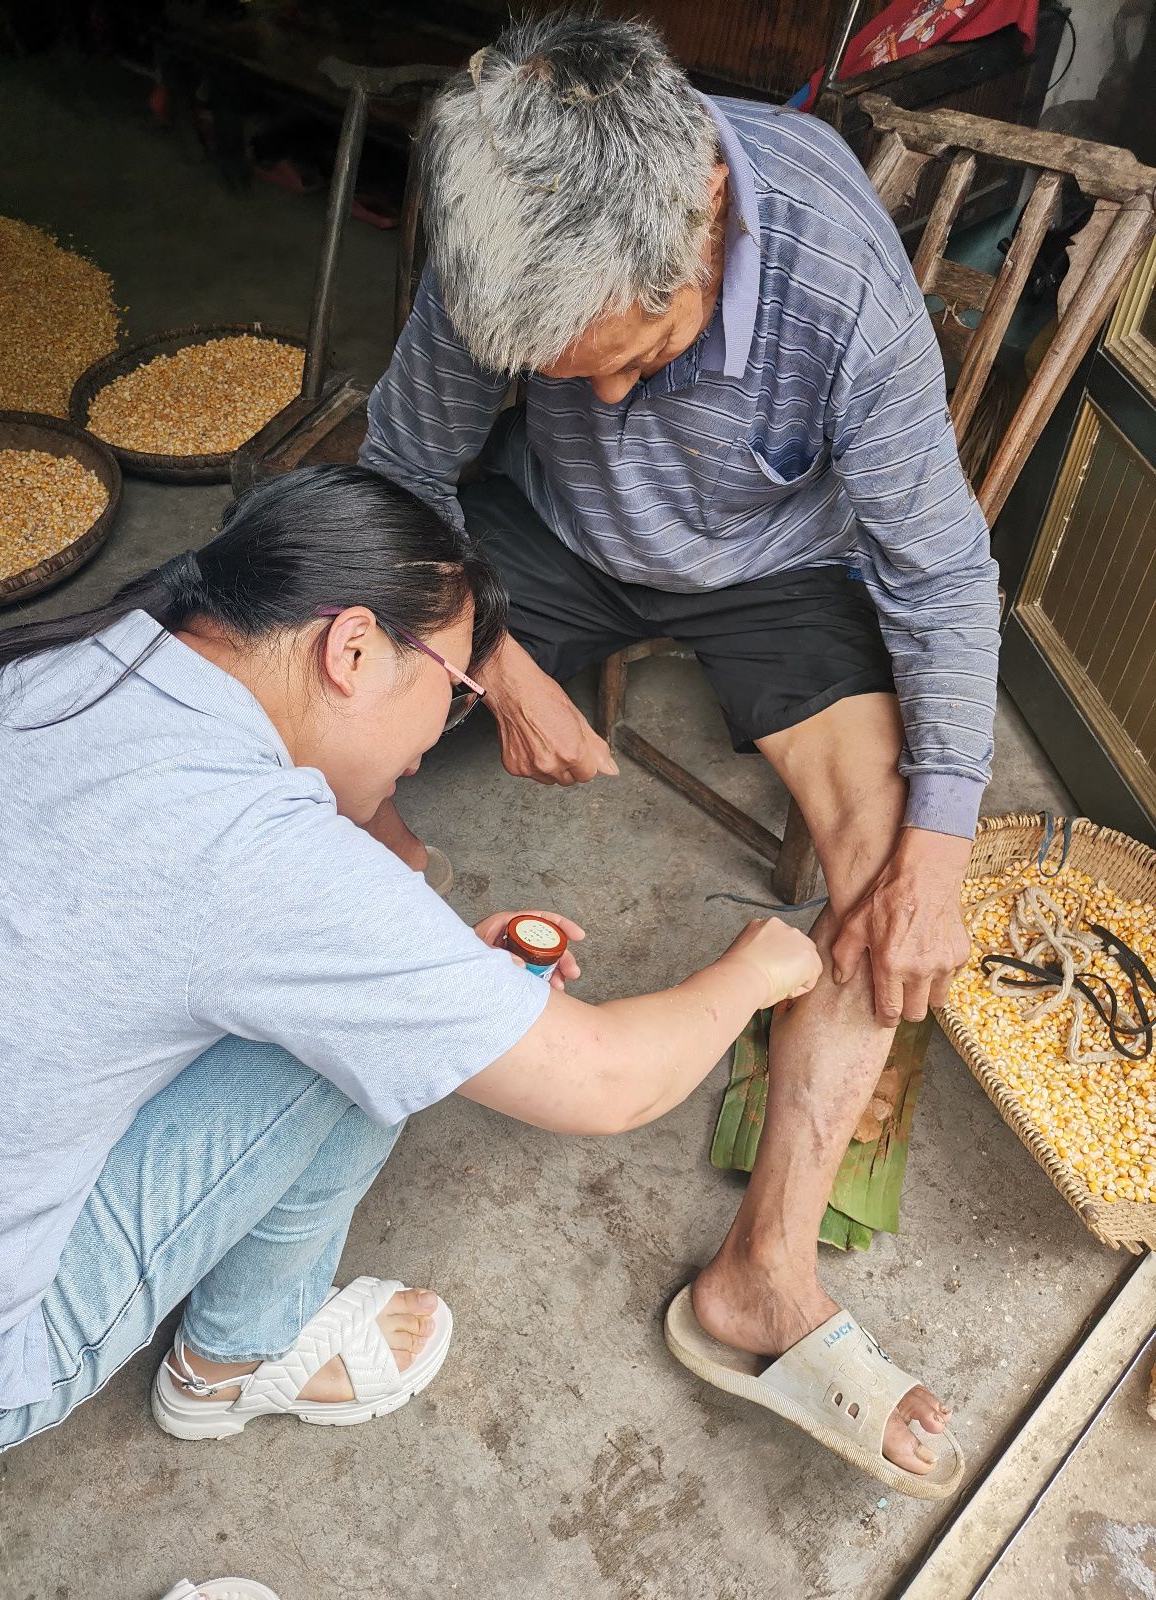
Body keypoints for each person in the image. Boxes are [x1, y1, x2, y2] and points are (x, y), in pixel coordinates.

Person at [357, 13, 994, 1487]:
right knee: (319, 679)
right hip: (550, 543)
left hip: (776, 572)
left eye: (639, 355)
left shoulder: (836, 277)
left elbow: (944, 577)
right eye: (573, 376)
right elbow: (402, 468)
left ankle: (762, 1280)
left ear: (705, 208)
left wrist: (942, 854)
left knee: (887, 874)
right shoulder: (504, 226)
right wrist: (501, 662)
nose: (615, 400)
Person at [0, 466, 820, 1463]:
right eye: (456, 693)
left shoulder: (74, 661)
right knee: (358, 1041)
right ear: (354, 648)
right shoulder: (258, 853)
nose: (433, 739)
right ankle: (231, 1363)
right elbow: (609, 1082)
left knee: (374, 1001)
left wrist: (437, 973)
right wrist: (759, 968)